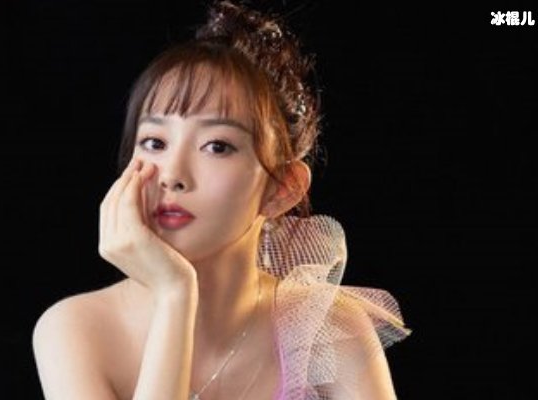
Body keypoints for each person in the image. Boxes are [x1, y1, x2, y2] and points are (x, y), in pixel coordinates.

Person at [32, 1, 410, 399]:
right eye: (155, 142)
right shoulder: (75, 329)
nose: (173, 175)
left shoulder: (326, 331)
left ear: (283, 188)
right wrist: (175, 295)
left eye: (217, 146)